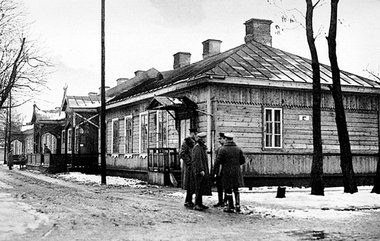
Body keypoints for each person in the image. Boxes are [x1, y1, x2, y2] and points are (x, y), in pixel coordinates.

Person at [216, 133, 245, 213]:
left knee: (228, 189)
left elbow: (218, 161)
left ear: (226, 139)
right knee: (236, 189)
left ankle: (230, 206)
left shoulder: (223, 149)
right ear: (232, 139)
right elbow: (242, 161)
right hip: (236, 172)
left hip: (227, 172)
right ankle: (238, 205)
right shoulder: (238, 149)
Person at [192, 132, 212, 211]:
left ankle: (200, 203)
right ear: (201, 139)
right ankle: (197, 204)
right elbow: (197, 160)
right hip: (199, 171)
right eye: (204, 138)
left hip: (202, 170)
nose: (205, 140)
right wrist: (200, 170)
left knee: (201, 187)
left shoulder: (201, 147)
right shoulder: (197, 147)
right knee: (198, 187)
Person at [179, 128, 197, 208]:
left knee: (192, 183)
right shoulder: (186, 142)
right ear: (192, 133)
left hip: (193, 166)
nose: (195, 135)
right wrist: (189, 163)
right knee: (189, 183)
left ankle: (189, 200)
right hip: (188, 166)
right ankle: (188, 201)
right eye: (195, 134)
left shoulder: (195, 142)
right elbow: (182, 153)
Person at [213, 132, 227, 207]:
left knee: (226, 186)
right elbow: (216, 162)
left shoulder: (226, 149)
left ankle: (225, 201)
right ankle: (220, 201)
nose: (219, 140)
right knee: (219, 186)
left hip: (225, 170)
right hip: (219, 170)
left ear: (225, 139)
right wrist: (215, 171)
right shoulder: (219, 149)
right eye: (219, 139)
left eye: (221, 139)